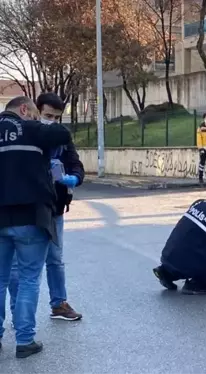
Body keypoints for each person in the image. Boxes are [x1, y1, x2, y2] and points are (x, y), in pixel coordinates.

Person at [0, 96, 72, 358]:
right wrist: (40, 126)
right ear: (23, 109)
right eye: (34, 113)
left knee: (0, 279)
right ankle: (25, 341)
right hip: (32, 216)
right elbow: (63, 133)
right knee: (30, 279)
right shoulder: (30, 128)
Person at [8, 93, 84, 323]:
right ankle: (18, 310)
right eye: (47, 115)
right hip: (28, 209)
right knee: (16, 267)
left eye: (56, 117)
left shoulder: (60, 138)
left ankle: (59, 304)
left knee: (55, 259)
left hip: (55, 208)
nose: (51, 121)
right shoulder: (23, 134)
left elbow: (76, 163)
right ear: (35, 111)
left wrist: (74, 178)